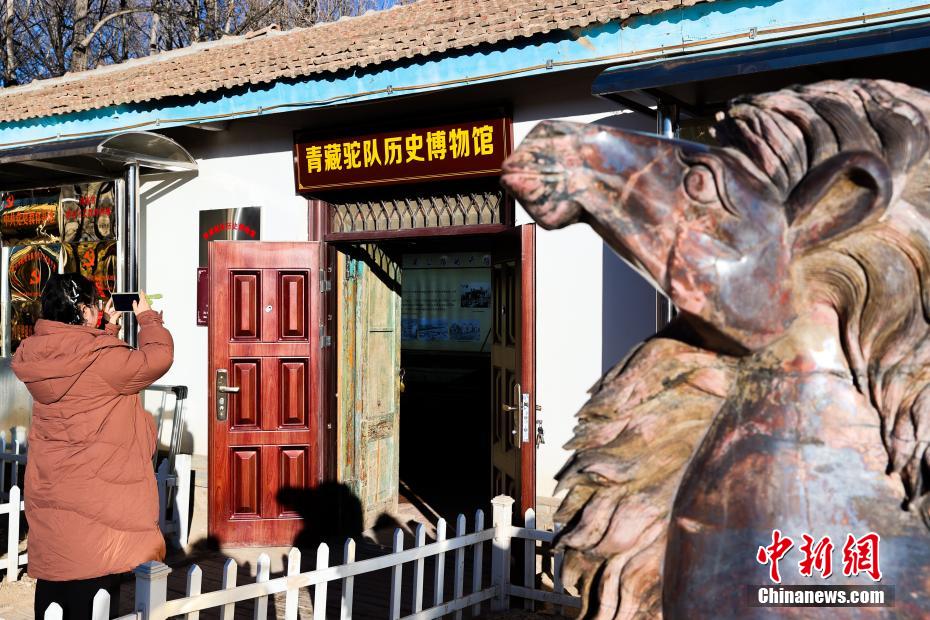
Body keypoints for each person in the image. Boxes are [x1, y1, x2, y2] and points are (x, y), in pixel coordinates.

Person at [11, 274, 173, 618]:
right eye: (94, 304)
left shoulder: (39, 354)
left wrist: (107, 331)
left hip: (55, 486)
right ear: (84, 310)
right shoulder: (101, 359)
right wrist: (147, 317)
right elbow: (158, 357)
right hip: (95, 494)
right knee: (94, 584)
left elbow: (86, 371)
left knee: (57, 578)